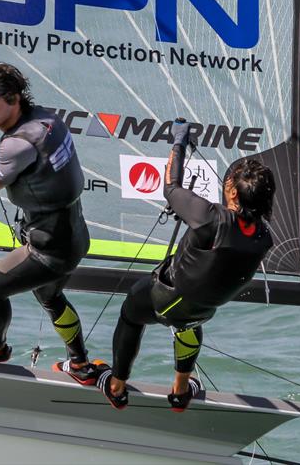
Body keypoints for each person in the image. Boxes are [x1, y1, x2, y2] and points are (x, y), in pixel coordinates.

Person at [95, 118, 275, 410]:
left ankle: (116, 386)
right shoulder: (264, 236)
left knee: (131, 311)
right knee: (190, 324)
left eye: (228, 182)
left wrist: (179, 141)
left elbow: (171, 187)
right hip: (206, 309)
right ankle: (180, 391)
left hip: (167, 299)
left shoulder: (210, 218)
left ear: (232, 193)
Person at [0, 62, 97, 385]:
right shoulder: (48, 118)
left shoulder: (19, 142)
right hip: (74, 233)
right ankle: (80, 364)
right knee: (50, 295)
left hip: (50, 246)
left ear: (14, 99)